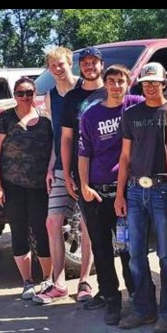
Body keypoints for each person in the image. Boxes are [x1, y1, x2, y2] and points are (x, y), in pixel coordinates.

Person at [114, 62, 167, 333]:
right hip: (135, 189)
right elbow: (125, 156)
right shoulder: (130, 114)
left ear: (165, 83)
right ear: (140, 85)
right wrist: (120, 194)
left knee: (166, 255)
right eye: (146, 83)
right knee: (135, 255)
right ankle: (142, 308)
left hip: (164, 189)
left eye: (155, 82)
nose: (151, 87)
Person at [78, 65, 142, 325]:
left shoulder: (136, 106)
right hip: (96, 191)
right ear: (105, 84)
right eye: (112, 81)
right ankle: (111, 300)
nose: (116, 86)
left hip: (125, 190)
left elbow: (164, 106)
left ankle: (137, 298)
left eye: (121, 81)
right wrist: (83, 185)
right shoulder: (91, 115)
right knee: (102, 249)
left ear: (129, 83)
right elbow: (84, 152)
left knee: (128, 248)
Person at [35, 47, 95, 305]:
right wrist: (51, 166)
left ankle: (84, 282)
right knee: (52, 222)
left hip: (87, 166)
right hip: (60, 165)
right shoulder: (50, 96)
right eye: (52, 66)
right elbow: (55, 135)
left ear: (70, 63)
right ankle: (58, 284)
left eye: (61, 64)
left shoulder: (85, 89)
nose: (57, 69)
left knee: (86, 225)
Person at [0, 76, 54, 300]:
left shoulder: (46, 119)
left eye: (29, 92)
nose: (25, 97)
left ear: (35, 93)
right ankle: (27, 281)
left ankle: (47, 279)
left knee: (42, 230)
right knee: (18, 231)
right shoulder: (5, 119)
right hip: (13, 185)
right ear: (14, 95)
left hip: (40, 187)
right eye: (20, 93)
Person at [59, 47, 108, 304]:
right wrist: (67, 173)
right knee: (94, 232)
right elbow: (67, 138)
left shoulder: (114, 90)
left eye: (94, 62)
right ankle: (97, 287)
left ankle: (130, 291)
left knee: (123, 238)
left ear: (102, 64)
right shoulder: (72, 98)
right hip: (85, 175)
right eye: (85, 62)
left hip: (115, 175)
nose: (89, 66)